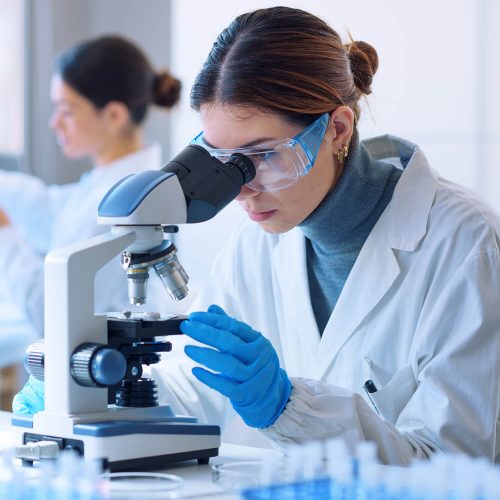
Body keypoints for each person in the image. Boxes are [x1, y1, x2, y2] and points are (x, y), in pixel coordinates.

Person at [14, 7, 500, 466]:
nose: (241, 189)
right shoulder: (261, 238)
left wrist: (287, 406)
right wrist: (92, 396)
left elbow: (454, 466)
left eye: (263, 155)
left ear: (336, 128)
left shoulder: (463, 245)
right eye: (224, 163)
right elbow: (199, 387)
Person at [3, 35, 180, 410]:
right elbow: (49, 208)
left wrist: (4, 236)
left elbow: (53, 312)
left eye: (66, 110)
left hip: (105, 382)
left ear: (114, 115)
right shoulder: (106, 184)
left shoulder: (129, 202)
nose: (54, 123)